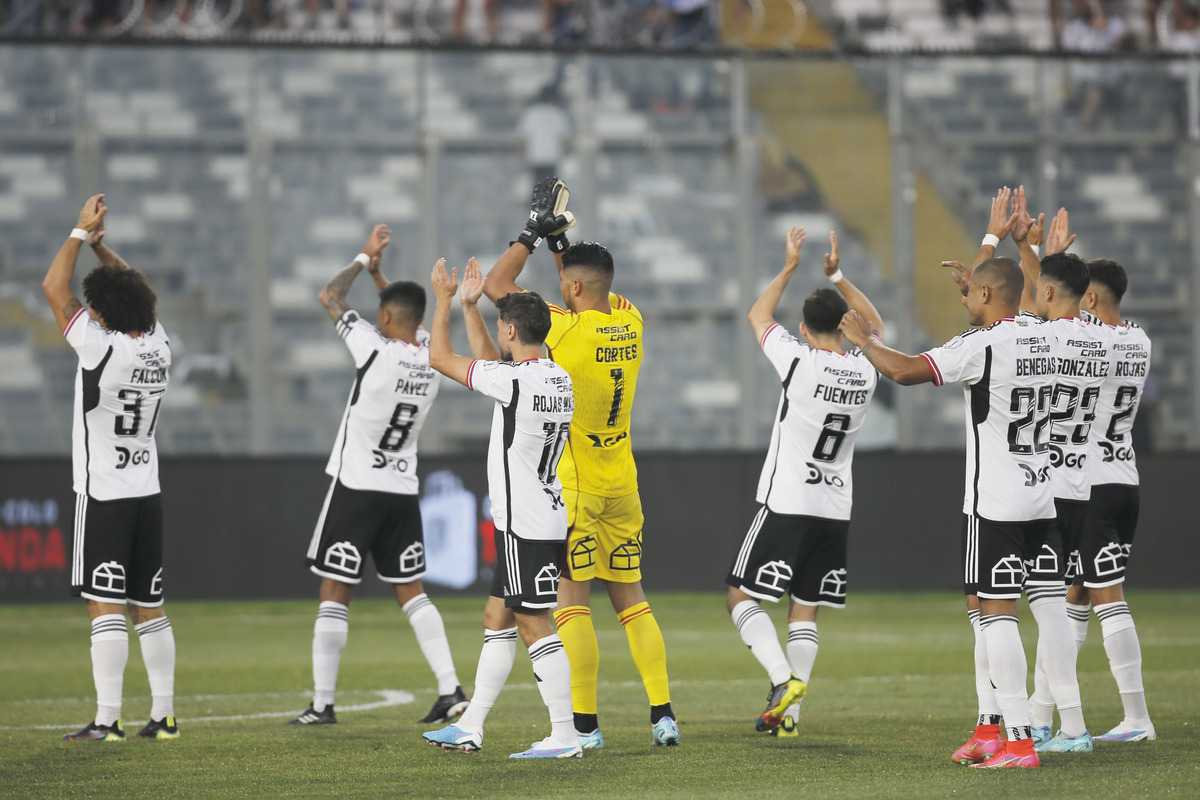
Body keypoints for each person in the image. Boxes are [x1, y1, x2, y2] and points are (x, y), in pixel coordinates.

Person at [840, 235, 1059, 769]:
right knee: (985, 609)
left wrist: (864, 340)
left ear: (986, 293)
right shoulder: (1043, 333)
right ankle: (990, 727)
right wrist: (990, 268)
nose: (963, 297)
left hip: (997, 501)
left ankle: (1019, 739)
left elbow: (904, 370)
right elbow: (1022, 306)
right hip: (1045, 493)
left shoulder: (981, 348)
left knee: (996, 613)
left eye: (970, 293)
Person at [482, 178, 679, 748]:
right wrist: (564, 239)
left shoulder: (563, 329)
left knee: (572, 602)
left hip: (576, 485)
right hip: (624, 480)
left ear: (568, 288)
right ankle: (663, 714)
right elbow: (585, 279)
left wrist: (535, 231)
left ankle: (586, 728)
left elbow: (500, 285)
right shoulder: (631, 319)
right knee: (633, 599)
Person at [290, 225, 467, 727]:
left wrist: (362, 260)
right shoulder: (432, 354)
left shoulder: (372, 347)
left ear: (385, 318)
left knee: (335, 591)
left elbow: (329, 295)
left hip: (356, 487)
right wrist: (383, 278)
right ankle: (450, 688)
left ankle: (323, 704)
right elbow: (403, 314)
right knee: (412, 591)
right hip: (401, 490)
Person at [724, 227, 882, 737]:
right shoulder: (866, 370)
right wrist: (837, 275)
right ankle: (788, 717)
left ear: (805, 329)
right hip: (835, 508)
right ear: (845, 324)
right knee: (804, 609)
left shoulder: (798, 361)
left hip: (788, 500)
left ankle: (779, 683)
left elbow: (757, 315)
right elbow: (874, 328)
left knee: (740, 596)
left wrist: (790, 266)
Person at [422, 257, 580, 759]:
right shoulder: (556, 375)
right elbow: (495, 366)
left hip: (525, 521)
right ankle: (470, 726)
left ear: (510, 329)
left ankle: (565, 735)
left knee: (534, 623)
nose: (498, 334)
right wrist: (473, 308)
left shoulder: (515, 383)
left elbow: (440, 358)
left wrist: (446, 299)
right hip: (547, 513)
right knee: (498, 616)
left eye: (498, 326)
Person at [43, 195, 178, 741]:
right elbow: (135, 296)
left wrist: (80, 234)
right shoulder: (159, 346)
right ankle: (164, 715)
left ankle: (106, 720)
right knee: (150, 605)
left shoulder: (100, 349)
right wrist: (105, 251)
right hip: (147, 492)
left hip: (103, 493)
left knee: (106, 605)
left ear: (100, 313)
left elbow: (55, 289)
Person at [1073, 257, 1156, 742]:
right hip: (1125, 479)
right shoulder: (1138, 339)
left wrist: (1035, 255)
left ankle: (1138, 719)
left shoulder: (1093, 341)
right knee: (1076, 593)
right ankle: (1047, 710)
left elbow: (1046, 319)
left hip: (1096, 486)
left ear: (1090, 298)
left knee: (1107, 597)